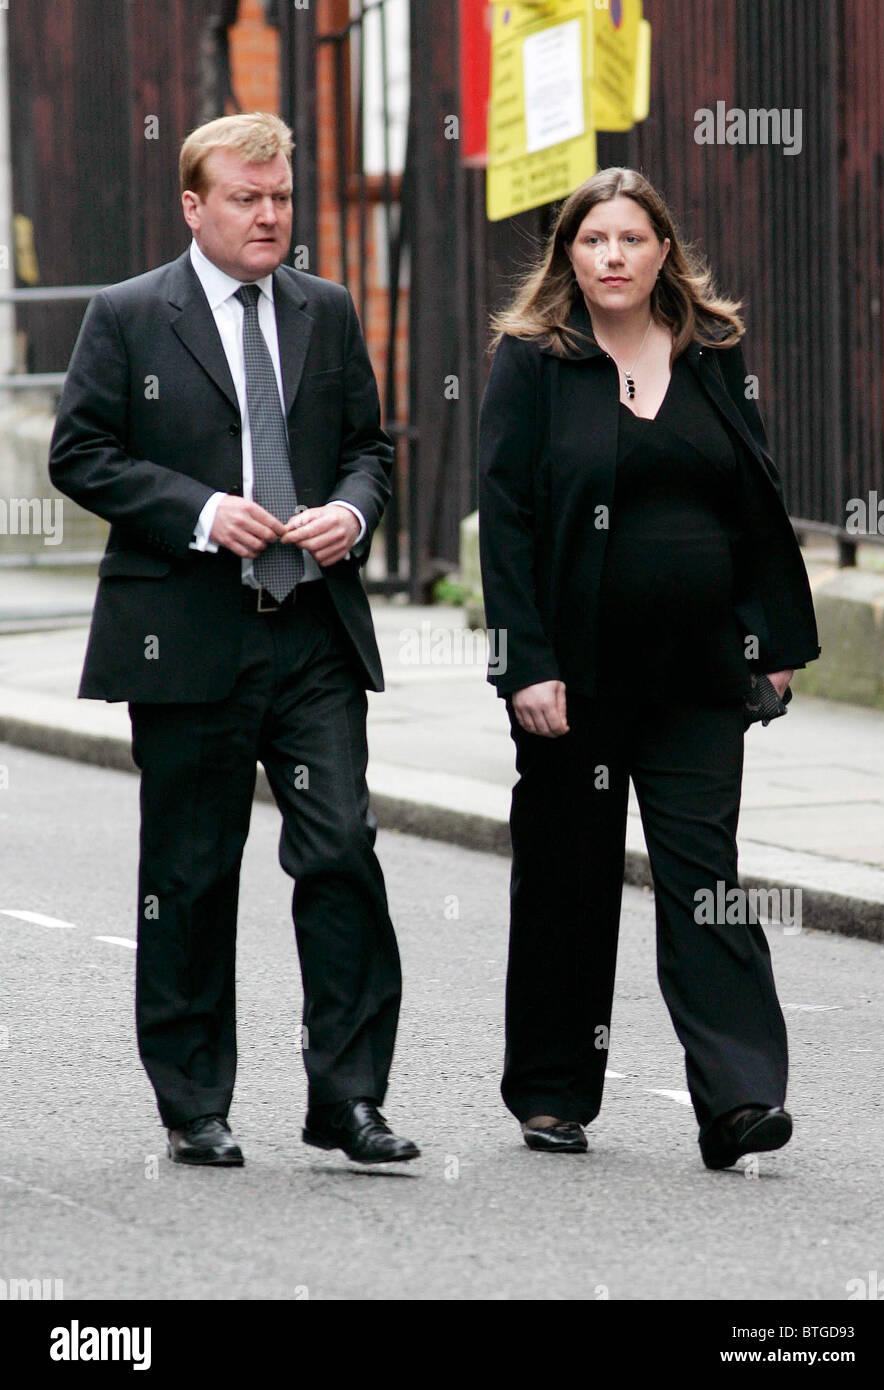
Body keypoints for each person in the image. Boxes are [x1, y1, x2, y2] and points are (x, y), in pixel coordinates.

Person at [49, 112, 418, 1168]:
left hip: (308, 632)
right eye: (247, 198)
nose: (269, 217)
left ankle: (347, 1099)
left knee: (341, 850)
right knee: (192, 871)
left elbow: (365, 448)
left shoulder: (327, 310)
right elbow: (80, 454)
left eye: (281, 198)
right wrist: (204, 512)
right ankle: (194, 1103)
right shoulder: (127, 316)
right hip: (184, 637)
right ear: (193, 205)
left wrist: (350, 513)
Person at [478, 167, 820, 1168]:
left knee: (705, 877)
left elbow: (754, 502)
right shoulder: (532, 360)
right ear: (567, 257)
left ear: (663, 250)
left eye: (631, 239)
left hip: (696, 674)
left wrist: (775, 643)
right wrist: (522, 666)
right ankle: (549, 1091)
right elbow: (504, 525)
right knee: (566, 882)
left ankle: (738, 1099)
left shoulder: (712, 352)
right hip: (570, 682)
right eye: (594, 241)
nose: (613, 256)